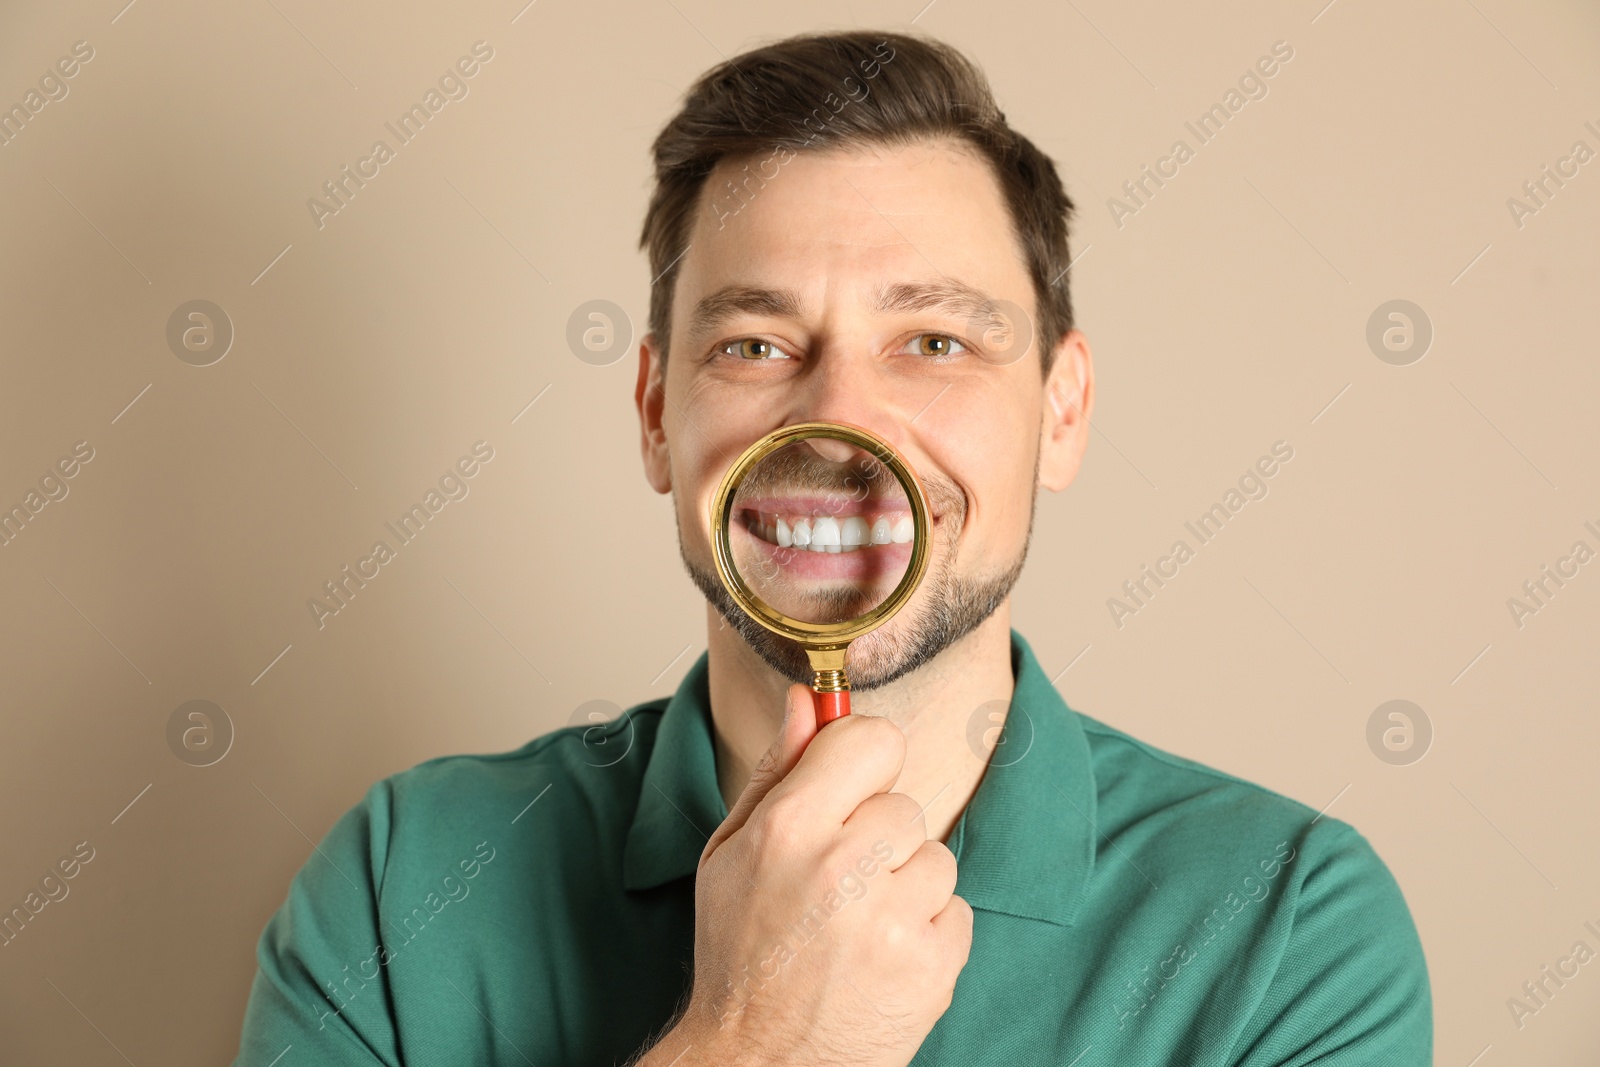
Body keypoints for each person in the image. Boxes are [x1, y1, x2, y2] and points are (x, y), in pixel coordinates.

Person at [232, 29, 1431, 1066]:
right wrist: (753, 1038)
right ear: (657, 415)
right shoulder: (402, 879)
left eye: (933, 341)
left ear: (1059, 410)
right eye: (754, 345)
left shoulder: (1289, 926)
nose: (840, 420)